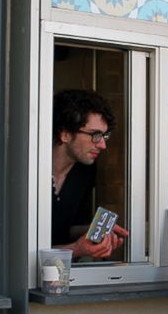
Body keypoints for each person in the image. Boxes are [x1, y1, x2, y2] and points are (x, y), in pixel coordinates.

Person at [52, 89, 128, 259]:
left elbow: (68, 228)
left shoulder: (84, 172)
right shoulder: (28, 174)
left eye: (104, 136)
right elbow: (18, 252)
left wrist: (97, 230)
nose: (102, 145)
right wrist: (76, 250)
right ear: (65, 134)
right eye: (95, 135)